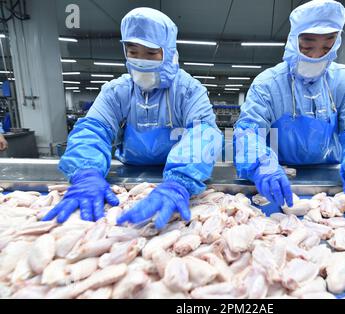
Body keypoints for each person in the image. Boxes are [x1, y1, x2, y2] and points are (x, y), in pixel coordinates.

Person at [43, 8, 222, 228]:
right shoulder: (117, 91)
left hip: (178, 177)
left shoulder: (188, 91)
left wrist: (180, 182)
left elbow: (203, 133)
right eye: (133, 52)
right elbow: (92, 130)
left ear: (168, 52)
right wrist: (86, 170)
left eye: (150, 53)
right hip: (131, 174)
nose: (140, 61)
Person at [234, 0, 345, 217]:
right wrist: (262, 166)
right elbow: (249, 130)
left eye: (327, 46)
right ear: (293, 41)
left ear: (337, 43)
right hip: (279, 174)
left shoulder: (344, 80)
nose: (316, 55)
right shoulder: (268, 83)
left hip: (328, 173)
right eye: (307, 46)